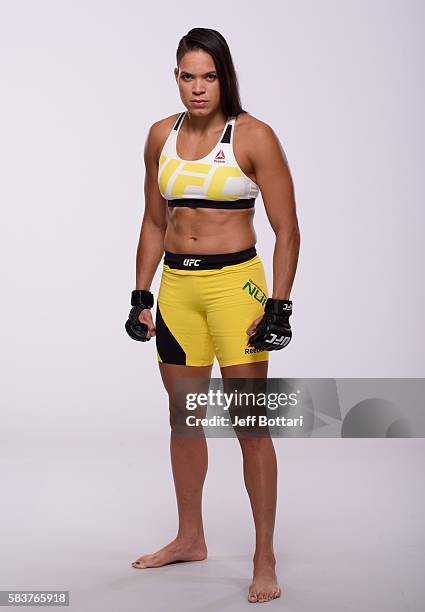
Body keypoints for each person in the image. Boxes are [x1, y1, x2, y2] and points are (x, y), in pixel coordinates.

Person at [125, 27, 300, 604]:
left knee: (251, 426)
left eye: (208, 76)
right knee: (184, 420)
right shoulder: (160, 136)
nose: (198, 88)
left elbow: (287, 228)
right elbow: (154, 221)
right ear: (175, 76)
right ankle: (190, 538)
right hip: (178, 291)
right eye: (187, 75)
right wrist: (140, 295)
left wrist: (279, 302)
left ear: (224, 77)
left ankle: (264, 557)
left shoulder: (253, 136)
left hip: (236, 290)